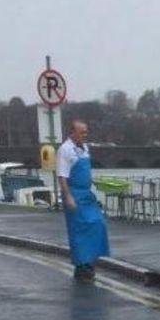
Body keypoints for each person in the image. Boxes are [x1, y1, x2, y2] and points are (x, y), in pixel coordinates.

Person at [56, 120, 110, 281]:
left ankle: (90, 260)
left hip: (86, 194)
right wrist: (68, 197)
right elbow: (62, 176)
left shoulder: (84, 148)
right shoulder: (64, 150)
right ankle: (82, 266)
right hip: (74, 194)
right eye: (82, 132)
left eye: (86, 132)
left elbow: (85, 170)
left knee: (98, 224)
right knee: (79, 230)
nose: (85, 135)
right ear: (72, 132)